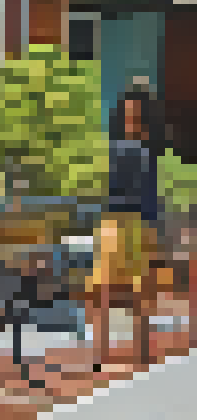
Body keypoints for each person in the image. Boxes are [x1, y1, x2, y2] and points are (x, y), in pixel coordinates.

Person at [93, 84, 163, 369]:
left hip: (139, 224)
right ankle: (101, 353)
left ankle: (142, 350)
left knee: (140, 291)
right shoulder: (113, 148)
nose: (131, 119)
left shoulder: (149, 150)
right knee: (104, 291)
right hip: (113, 222)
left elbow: (150, 193)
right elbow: (103, 188)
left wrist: (152, 227)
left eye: (136, 113)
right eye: (128, 112)